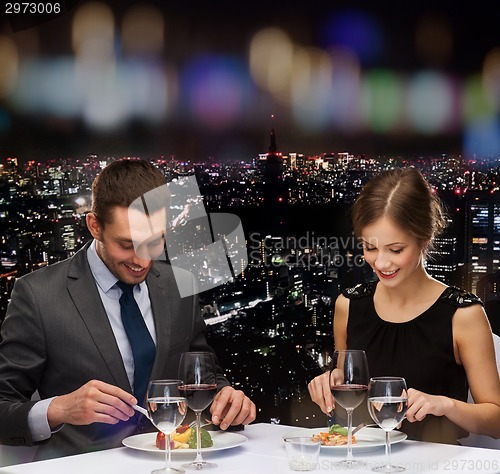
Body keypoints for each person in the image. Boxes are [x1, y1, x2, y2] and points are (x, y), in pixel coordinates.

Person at [0, 159, 255, 460]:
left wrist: (225, 399)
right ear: (94, 226)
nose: (142, 260)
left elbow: (200, 373)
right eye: (126, 244)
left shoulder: (179, 285)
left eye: (154, 241)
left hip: (172, 462)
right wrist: (59, 409)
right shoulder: (38, 295)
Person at [308, 168, 500, 444]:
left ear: (424, 239)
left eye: (396, 250)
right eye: (370, 248)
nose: (382, 263)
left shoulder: (463, 315)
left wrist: (445, 405)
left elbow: (497, 421)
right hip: (361, 462)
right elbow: (348, 396)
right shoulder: (348, 305)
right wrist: (330, 382)